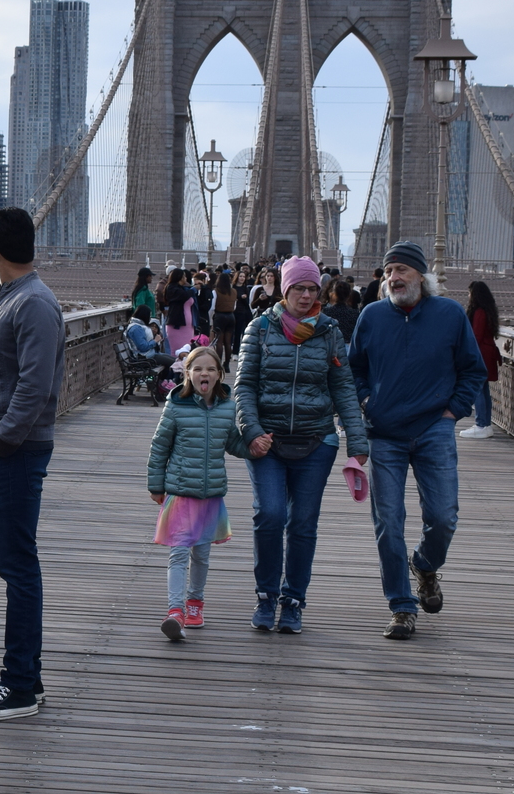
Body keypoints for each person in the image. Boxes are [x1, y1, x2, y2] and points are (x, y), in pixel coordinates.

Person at [349, 242, 487, 641]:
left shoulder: (449, 315)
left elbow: (473, 369)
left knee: (444, 517)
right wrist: (366, 400)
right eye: (389, 271)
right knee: (388, 522)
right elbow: (354, 369)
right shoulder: (372, 316)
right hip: (384, 433)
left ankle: (425, 564)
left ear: (421, 277)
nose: (393, 277)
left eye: (402, 270)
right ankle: (402, 606)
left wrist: (453, 411)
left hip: (433, 428)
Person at [0, 208, 65, 721]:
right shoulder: (14, 297)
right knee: (15, 566)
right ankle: (23, 675)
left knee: (19, 568)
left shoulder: (34, 303)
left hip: (17, 452)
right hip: (2, 450)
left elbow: (33, 388)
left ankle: (20, 687)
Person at [233, 256, 370, 635]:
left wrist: (357, 439)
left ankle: (293, 601)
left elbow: (343, 387)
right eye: (298, 288)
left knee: (303, 524)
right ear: (285, 290)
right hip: (268, 441)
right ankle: (266, 595)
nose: (306, 295)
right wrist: (251, 431)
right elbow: (244, 386)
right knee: (270, 515)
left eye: (312, 289)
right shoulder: (260, 328)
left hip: (317, 440)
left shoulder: (329, 332)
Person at [146, 347, 248, 640]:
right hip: (180, 492)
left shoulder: (227, 407)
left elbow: (233, 443)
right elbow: (160, 446)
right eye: (198, 368)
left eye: (211, 369)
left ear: (219, 375)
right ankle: (175, 611)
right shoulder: (176, 405)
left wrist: (254, 447)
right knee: (179, 553)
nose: (205, 373)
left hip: (210, 495)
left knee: (201, 555)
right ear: (188, 373)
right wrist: (156, 485)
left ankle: (195, 604)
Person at [459, 281, 501, 439]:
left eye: (469, 293)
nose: (468, 296)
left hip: (480, 355)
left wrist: (466, 354)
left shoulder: (479, 312)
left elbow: (475, 336)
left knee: (478, 389)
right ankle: (485, 424)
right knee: (483, 390)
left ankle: (481, 424)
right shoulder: (487, 310)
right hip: (486, 353)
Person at [162, 267, 195, 358]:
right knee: (177, 352)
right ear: (179, 277)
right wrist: (193, 290)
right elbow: (183, 296)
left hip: (187, 326)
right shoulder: (172, 288)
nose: (186, 278)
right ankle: (175, 367)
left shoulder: (183, 288)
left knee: (187, 351)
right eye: (184, 276)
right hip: (177, 325)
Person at [211, 270, 239, 371]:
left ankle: (218, 364)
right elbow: (234, 306)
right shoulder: (234, 291)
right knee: (228, 342)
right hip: (231, 316)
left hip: (219, 316)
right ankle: (227, 364)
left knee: (219, 341)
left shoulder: (215, 291)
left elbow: (212, 307)